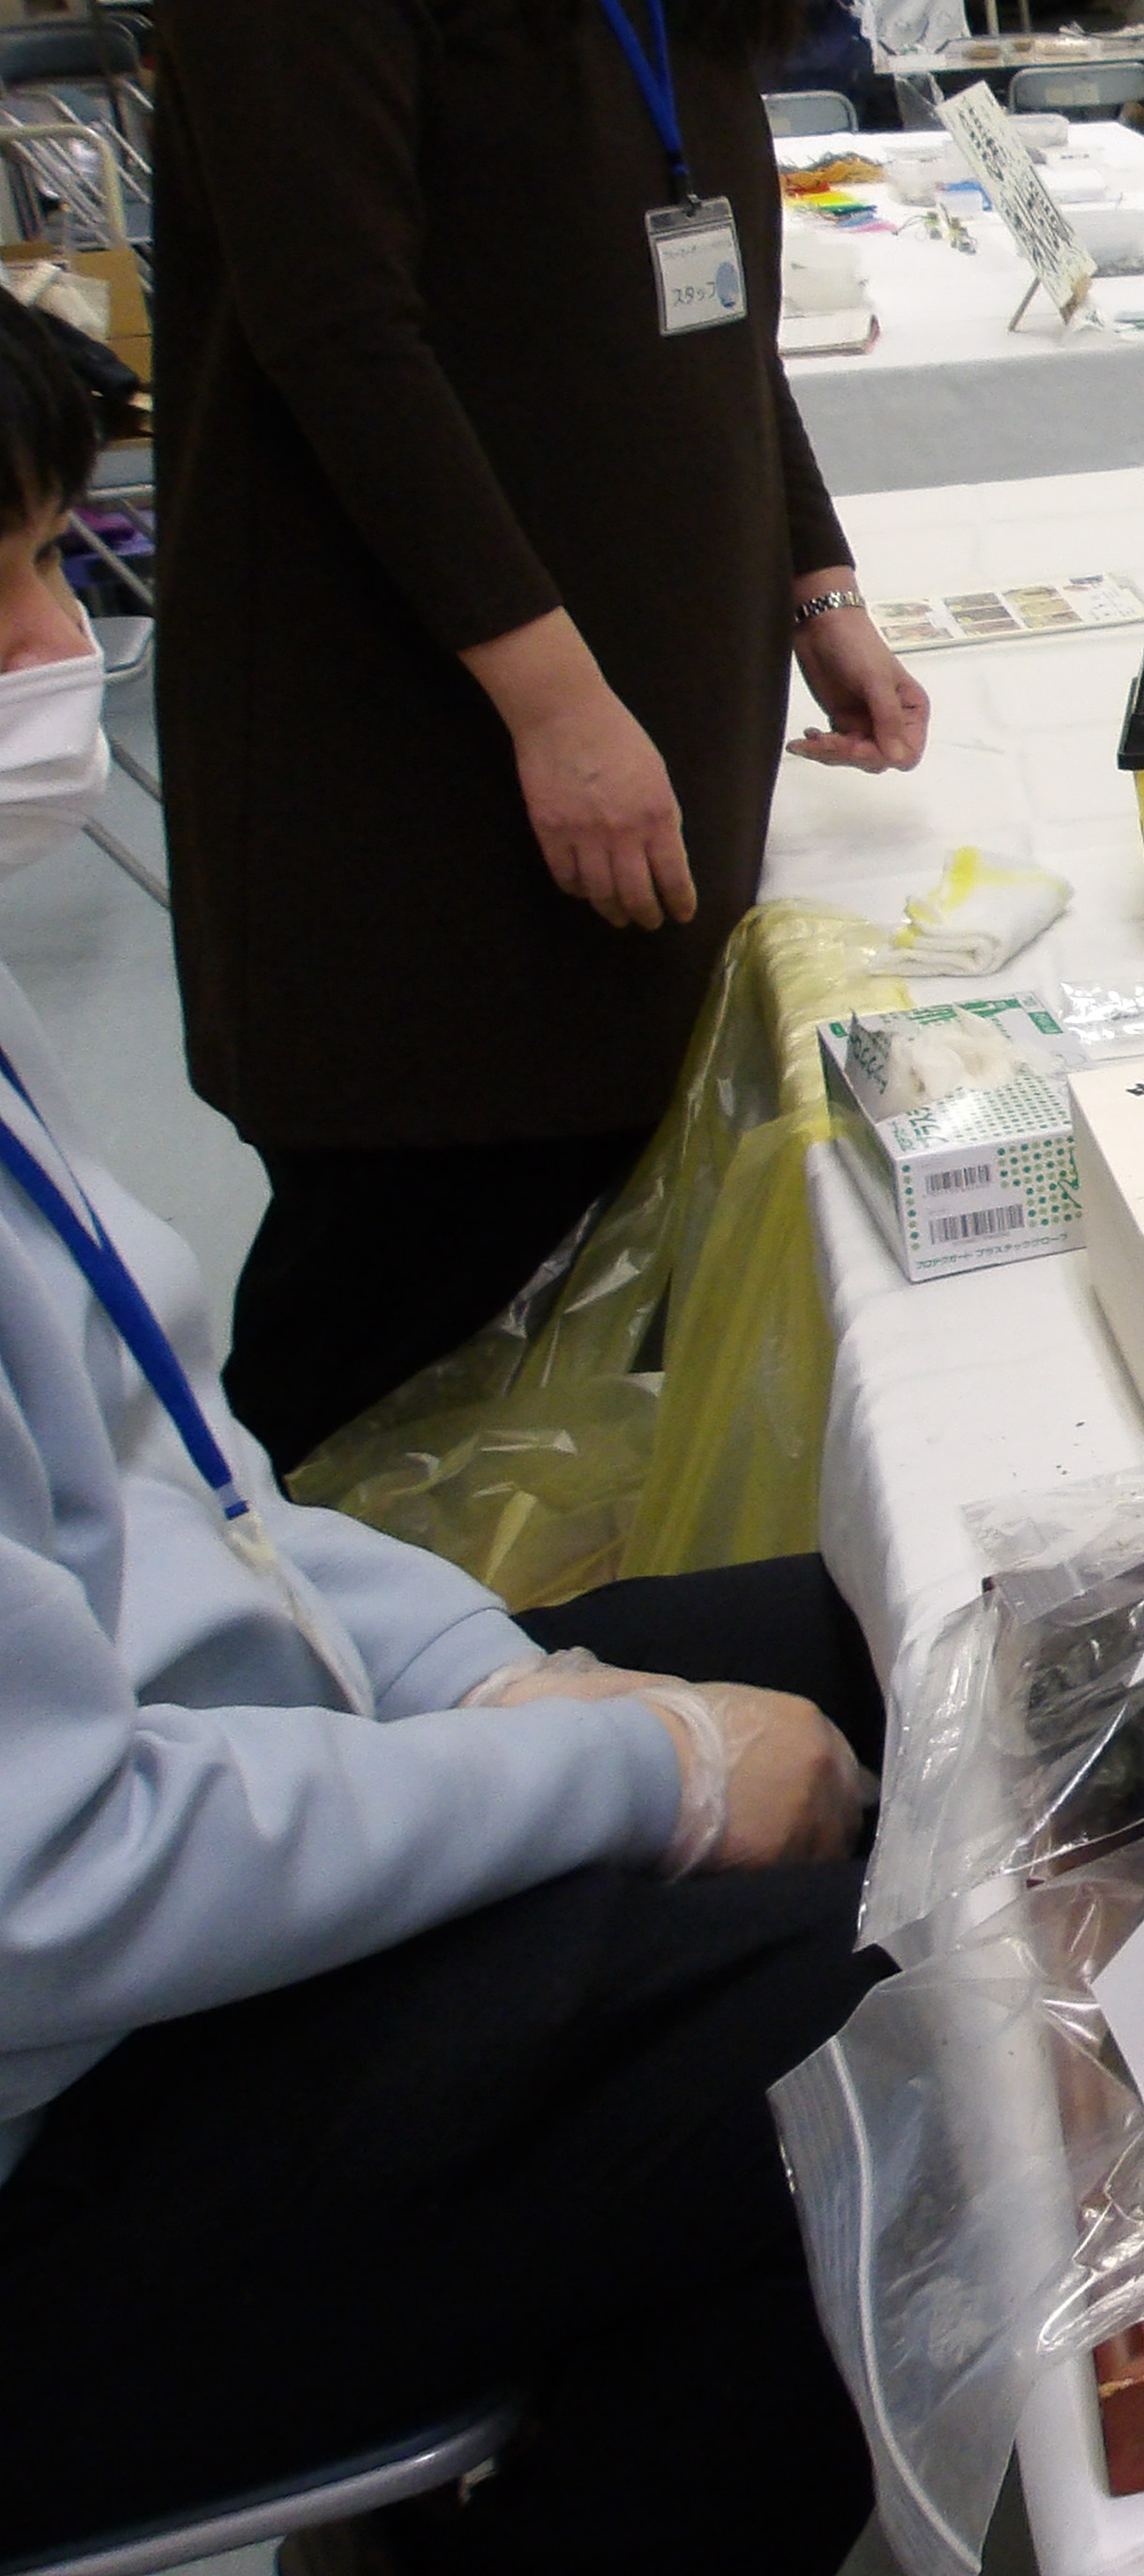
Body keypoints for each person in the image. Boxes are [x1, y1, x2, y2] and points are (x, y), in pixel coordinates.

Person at [0, 292, 882, 2576]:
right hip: (71, 2135)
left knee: (909, 1642)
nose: (47, 643)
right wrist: (643, 1770)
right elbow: (58, 1877)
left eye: (37, 560)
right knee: (887, 2050)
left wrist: (486, 1676)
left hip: (181, 1877)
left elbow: (205, 1486)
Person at [127, 0, 928, 1477]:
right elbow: (332, 320)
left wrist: (806, 561)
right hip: (423, 745)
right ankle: (324, 1730)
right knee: (398, 1318)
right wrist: (554, 698)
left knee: (588, 1300)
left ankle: (555, 1728)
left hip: (645, 713)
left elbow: (705, 272)